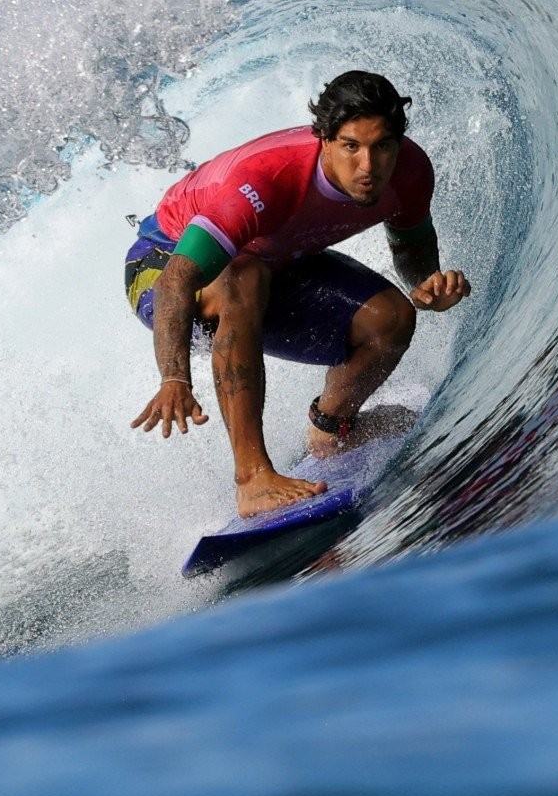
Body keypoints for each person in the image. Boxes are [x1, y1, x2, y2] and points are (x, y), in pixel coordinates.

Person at [124, 71, 470, 516]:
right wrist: (174, 378)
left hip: (270, 264)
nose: (369, 166)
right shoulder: (266, 181)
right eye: (351, 146)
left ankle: (332, 430)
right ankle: (252, 479)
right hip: (161, 264)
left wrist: (427, 287)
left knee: (392, 318)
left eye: (382, 146)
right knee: (242, 277)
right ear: (323, 139)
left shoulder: (410, 172)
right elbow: (177, 281)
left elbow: (412, 253)